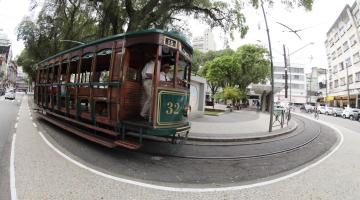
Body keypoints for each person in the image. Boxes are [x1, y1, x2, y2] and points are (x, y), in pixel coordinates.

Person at [140, 54, 156, 119]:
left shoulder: (148, 64)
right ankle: (143, 114)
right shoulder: (152, 64)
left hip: (145, 81)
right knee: (150, 97)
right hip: (148, 81)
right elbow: (148, 74)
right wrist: (156, 78)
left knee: (146, 98)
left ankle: (144, 113)